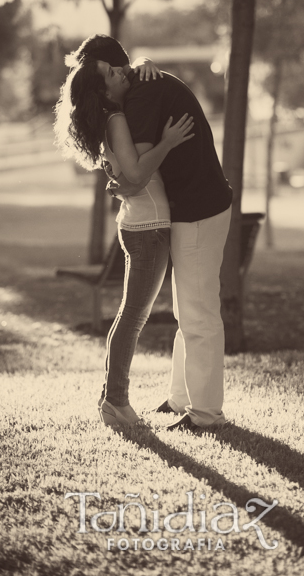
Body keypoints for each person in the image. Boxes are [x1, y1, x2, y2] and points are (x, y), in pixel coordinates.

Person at [72, 34, 233, 432]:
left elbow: (137, 171)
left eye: (109, 71)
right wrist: (133, 174)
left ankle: (205, 414)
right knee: (186, 312)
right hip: (177, 212)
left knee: (197, 314)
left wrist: (128, 178)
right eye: (106, 76)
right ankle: (179, 399)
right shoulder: (129, 99)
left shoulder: (140, 94)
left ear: (120, 69)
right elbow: (137, 171)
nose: (111, 79)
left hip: (197, 208)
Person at [54, 55, 195, 429]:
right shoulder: (116, 120)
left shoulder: (107, 121)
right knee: (132, 318)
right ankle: (115, 401)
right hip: (148, 227)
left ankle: (111, 398)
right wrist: (167, 142)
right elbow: (135, 173)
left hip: (139, 224)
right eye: (111, 73)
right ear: (103, 92)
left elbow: (128, 179)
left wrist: (145, 61)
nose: (121, 71)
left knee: (129, 316)